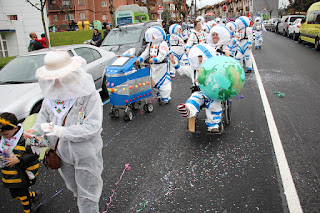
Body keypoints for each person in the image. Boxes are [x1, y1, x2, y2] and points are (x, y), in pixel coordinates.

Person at [26, 49, 104, 213]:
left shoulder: (88, 95)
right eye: (51, 79)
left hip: (85, 153)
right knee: (75, 189)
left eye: (58, 77)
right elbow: (42, 120)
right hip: (61, 154)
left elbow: (93, 126)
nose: (55, 82)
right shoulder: (51, 97)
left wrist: (62, 131)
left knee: (88, 194)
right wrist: (34, 133)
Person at [170, 44, 223, 133]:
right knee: (192, 100)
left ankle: (213, 125)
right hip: (199, 92)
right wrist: (174, 63)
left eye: (200, 57)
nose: (199, 59)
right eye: (198, 57)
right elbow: (181, 70)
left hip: (212, 93)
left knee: (213, 105)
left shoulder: (214, 69)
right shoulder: (193, 69)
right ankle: (187, 110)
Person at [0, 112, 40, 213]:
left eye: (6, 134)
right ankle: (33, 195)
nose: (4, 136)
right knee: (16, 196)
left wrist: (19, 160)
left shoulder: (26, 138)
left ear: (14, 129)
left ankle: (28, 210)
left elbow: (35, 154)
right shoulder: (2, 139)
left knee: (23, 196)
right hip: (8, 176)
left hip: (21, 175)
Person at [136, 26, 171, 105]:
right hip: (153, 67)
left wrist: (155, 59)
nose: (152, 37)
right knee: (154, 82)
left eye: (153, 35)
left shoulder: (163, 43)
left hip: (162, 67)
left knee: (164, 82)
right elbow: (145, 53)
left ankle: (166, 98)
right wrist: (139, 59)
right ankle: (159, 96)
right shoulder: (150, 44)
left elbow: (162, 55)